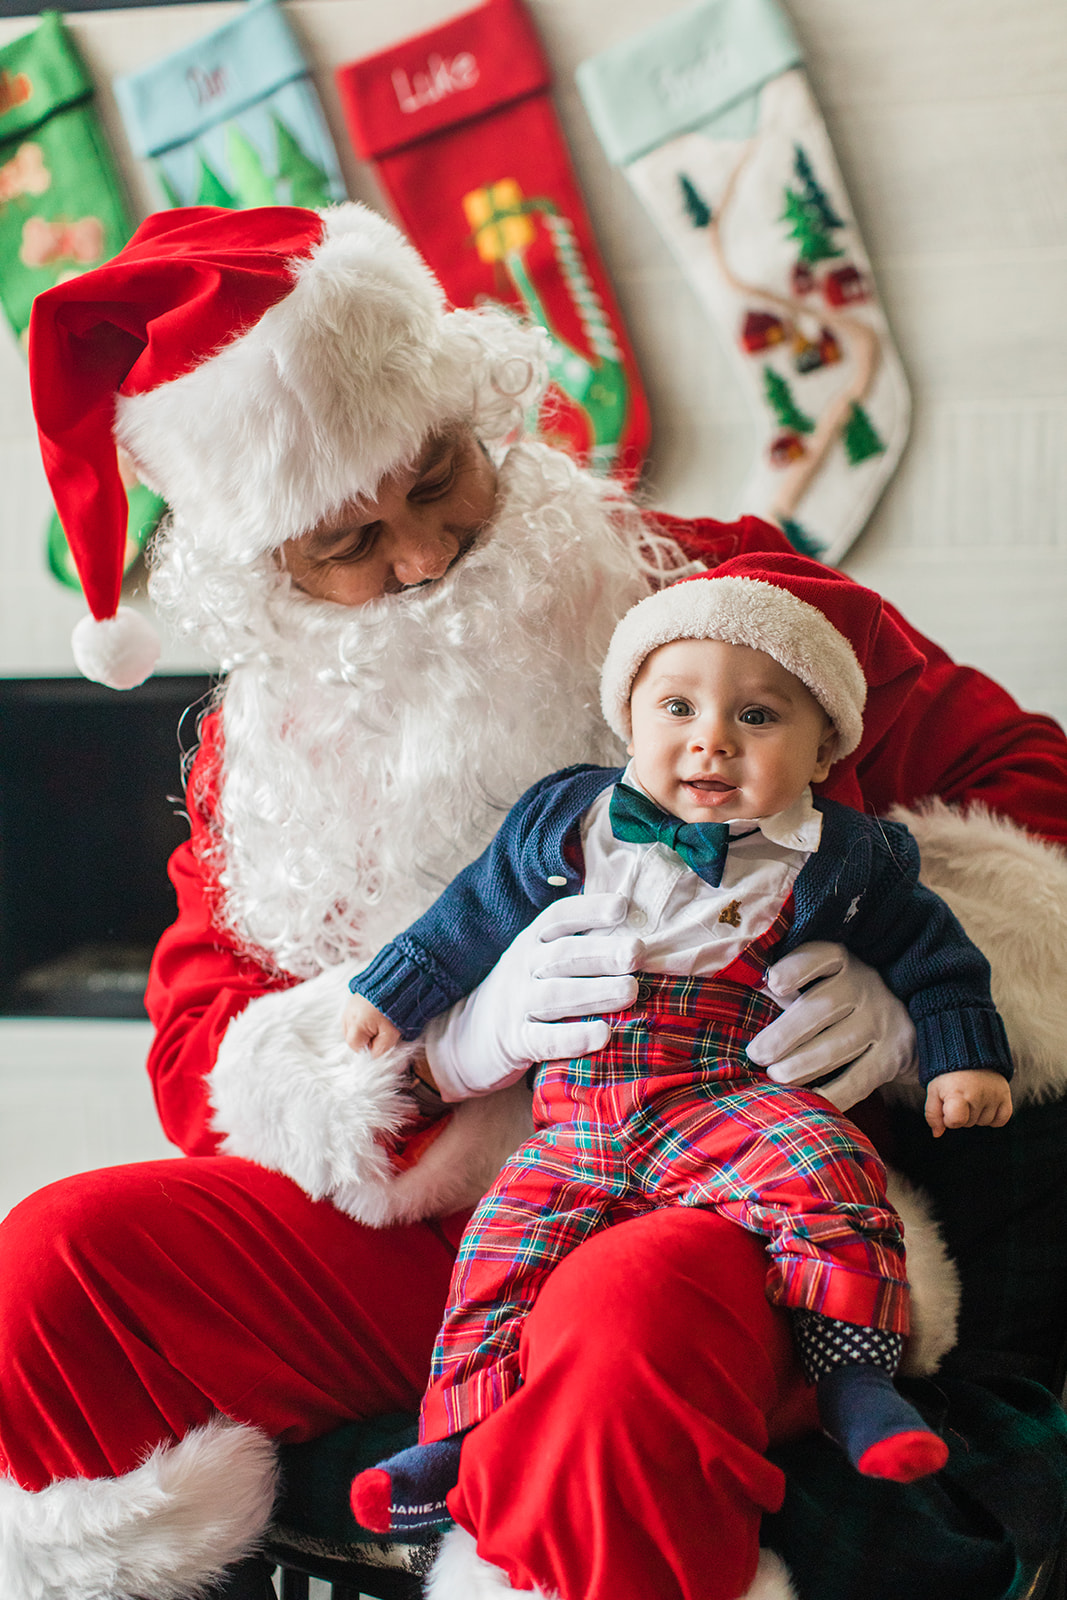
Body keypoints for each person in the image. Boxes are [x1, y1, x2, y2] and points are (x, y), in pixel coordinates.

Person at [1, 200, 1065, 1600]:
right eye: (347, 541)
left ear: (474, 412)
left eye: (435, 477)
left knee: (625, 1314)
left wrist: (911, 999)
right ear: (262, 576)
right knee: (49, 1268)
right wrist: (440, 1052)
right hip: (446, 1235)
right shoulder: (262, 753)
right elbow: (202, 1049)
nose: (424, 553)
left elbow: (1022, 786)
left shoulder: (724, 601)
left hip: (731, 1207)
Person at [343, 556, 1014, 1532]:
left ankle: (856, 1385)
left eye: (756, 717)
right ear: (628, 719)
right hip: (576, 1109)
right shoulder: (570, 818)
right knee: (501, 1244)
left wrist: (958, 1051)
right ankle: (450, 1438)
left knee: (827, 1166)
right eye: (676, 708)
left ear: (822, 748)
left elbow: (934, 954)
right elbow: (473, 911)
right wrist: (397, 997)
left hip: (724, 1091)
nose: (709, 741)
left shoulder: (845, 854)